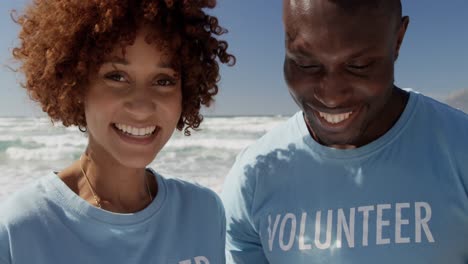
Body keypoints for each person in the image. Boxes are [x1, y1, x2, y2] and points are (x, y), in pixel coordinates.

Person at [221, 0, 468, 263]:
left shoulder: (459, 146)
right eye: (306, 64)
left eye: (358, 65)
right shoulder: (253, 177)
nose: (331, 96)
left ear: (397, 40)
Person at [0, 0, 235, 263]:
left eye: (164, 80)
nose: (142, 107)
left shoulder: (204, 212)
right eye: (117, 76)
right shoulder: (22, 227)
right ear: (76, 84)